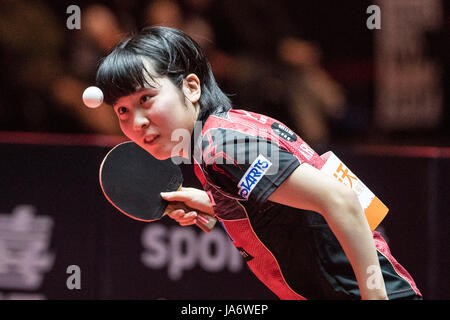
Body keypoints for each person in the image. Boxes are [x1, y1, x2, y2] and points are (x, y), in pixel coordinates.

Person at [95, 26, 422, 300]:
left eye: (145, 99)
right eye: (122, 110)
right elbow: (290, 207)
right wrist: (214, 205)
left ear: (191, 87)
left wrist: (375, 297)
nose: (136, 121)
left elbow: (341, 199)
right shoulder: (225, 130)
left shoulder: (221, 149)